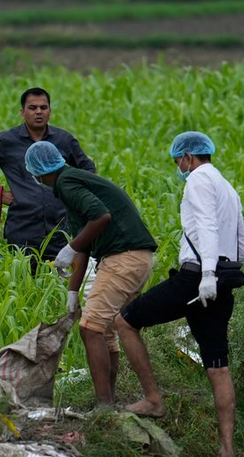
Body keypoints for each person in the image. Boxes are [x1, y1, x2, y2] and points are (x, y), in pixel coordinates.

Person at [115, 131, 244, 457]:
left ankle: (152, 399)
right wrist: (224, 272)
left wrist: (205, 276)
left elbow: (204, 225)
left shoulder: (198, 180)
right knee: (218, 365)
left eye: (178, 161)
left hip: (197, 279)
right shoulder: (227, 186)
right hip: (226, 276)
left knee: (126, 321)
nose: (179, 167)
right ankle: (227, 452)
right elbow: (241, 242)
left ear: (189, 156)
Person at [23, 140, 157, 407]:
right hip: (135, 258)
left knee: (91, 329)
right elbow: (84, 244)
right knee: (105, 331)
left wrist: (69, 248)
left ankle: (104, 406)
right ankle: (110, 399)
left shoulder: (66, 183)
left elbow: (100, 217)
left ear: (37, 171)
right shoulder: (72, 182)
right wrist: (73, 290)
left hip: (123, 258)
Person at [0, 88, 96, 268]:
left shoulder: (64, 139)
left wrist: (75, 195)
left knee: (61, 285)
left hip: (61, 230)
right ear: (22, 113)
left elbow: (88, 169)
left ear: (50, 111)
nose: (38, 112)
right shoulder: (7, 140)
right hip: (23, 230)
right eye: (32, 108)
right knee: (22, 284)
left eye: (43, 107)